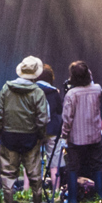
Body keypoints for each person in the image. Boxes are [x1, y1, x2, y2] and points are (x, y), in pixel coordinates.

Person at [0, 55, 49, 203]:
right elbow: (43, 118)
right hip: (30, 137)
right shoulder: (38, 92)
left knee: (8, 173)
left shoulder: (6, 88)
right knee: (34, 174)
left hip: (9, 136)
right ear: (35, 74)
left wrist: (1, 132)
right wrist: (40, 136)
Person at [61, 60, 102, 203]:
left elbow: (67, 118)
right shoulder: (98, 89)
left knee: (73, 168)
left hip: (76, 138)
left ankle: (72, 201)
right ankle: (100, 199)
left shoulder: (71, 94)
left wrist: (64, 136)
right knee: (97, 166)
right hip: (94, 136)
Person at [37, 64, 64, 192]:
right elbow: (60, 110)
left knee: (31, 162)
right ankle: (56, 192)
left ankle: (27, 191)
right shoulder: (54, 92)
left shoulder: (32, 90)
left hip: (35, 130)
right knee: (54, 164)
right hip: (53, 129)